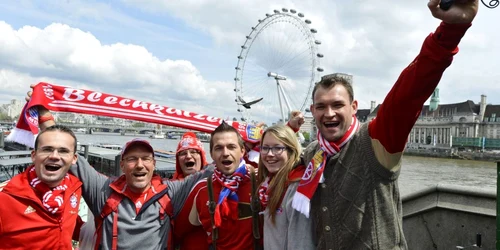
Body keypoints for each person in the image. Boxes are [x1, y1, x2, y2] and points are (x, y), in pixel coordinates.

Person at [286, 1, 479, 249]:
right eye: (321, 107)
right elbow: (274, 158)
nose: (329, 113)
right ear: (312, 111)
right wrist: (289, 131)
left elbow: (410, 92)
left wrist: (453, 29)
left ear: (354, 107)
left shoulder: (376, 141)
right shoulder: (313, 152)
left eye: (337, 105)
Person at [34, 107, 213, 250]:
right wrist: (44, 116)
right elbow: (72, 159)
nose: (140, 165)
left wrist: (238, 141)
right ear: (122, 165)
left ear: (154, 164)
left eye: (145, 159)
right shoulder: (105, 191)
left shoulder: (170, 192)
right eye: (132, 159)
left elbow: (211, 171)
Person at [0, 125, 82, 249]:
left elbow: (70, 223)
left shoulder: (74, 188)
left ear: (74, 158)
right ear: (34, 155)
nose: (54, 156)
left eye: (63, 151)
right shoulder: (5, 197)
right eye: (47, 149)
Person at [188, 122, 261, 250]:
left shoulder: (260, 183)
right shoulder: (202, 189)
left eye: (231, 147)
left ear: (242, 151)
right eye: (219, 148)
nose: (225, 153)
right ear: (211, 154)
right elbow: (192, 222)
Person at [257, 125, 313, 249]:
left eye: (277, 148)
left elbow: (301, 243)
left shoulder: (297, 188)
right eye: (265, 148)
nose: (270, 154)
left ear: (291, 150)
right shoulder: (270, 183)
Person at [171, 131, 209, 250]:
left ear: (202, 157)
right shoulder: (169, 187)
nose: (188, 156)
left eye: (193, 152)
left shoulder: (212, 183)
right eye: (183, 153)